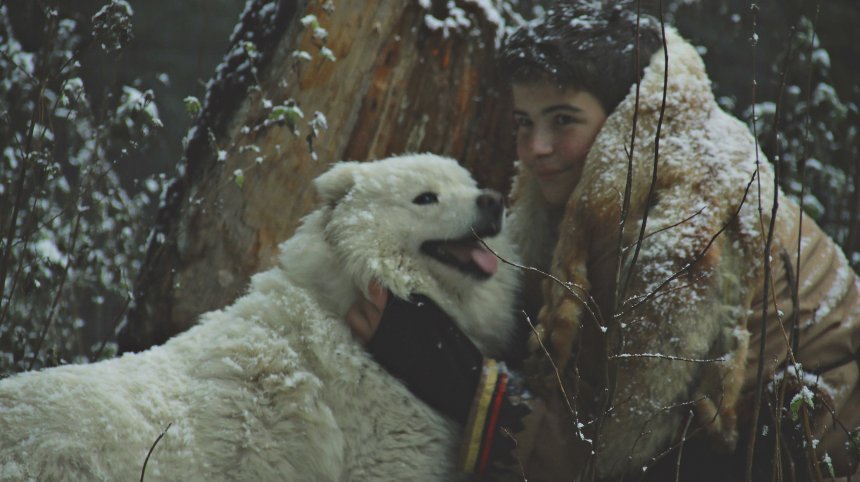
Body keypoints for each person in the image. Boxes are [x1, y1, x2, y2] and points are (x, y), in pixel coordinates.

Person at [346, 2, 860, 480]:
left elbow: (615, 453)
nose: (535, 149)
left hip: (810, 452)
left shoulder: (680, 236)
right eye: (523, 123)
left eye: (563, 120)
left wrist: (454, 375)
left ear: (625, 118)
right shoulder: (631, 165)